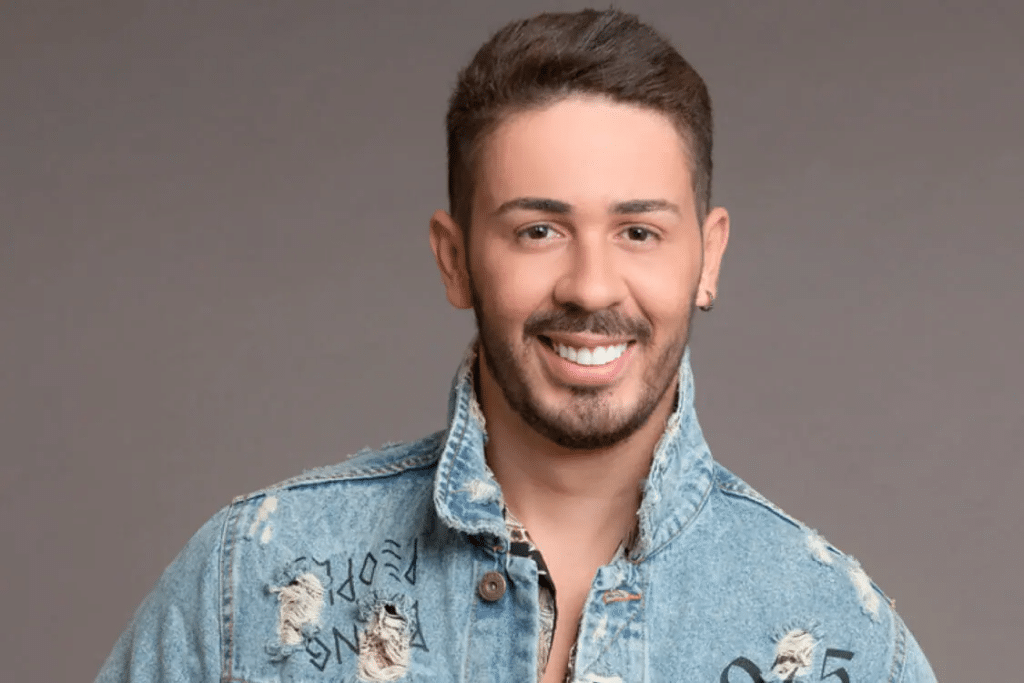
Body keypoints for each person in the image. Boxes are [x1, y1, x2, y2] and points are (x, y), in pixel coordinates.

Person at [96, 8, 936, 683]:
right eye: (539, 229)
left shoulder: (842, 638)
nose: (592, 287)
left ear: (707, 257)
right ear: (456, 258)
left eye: (639, 231)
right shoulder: (253, 579)